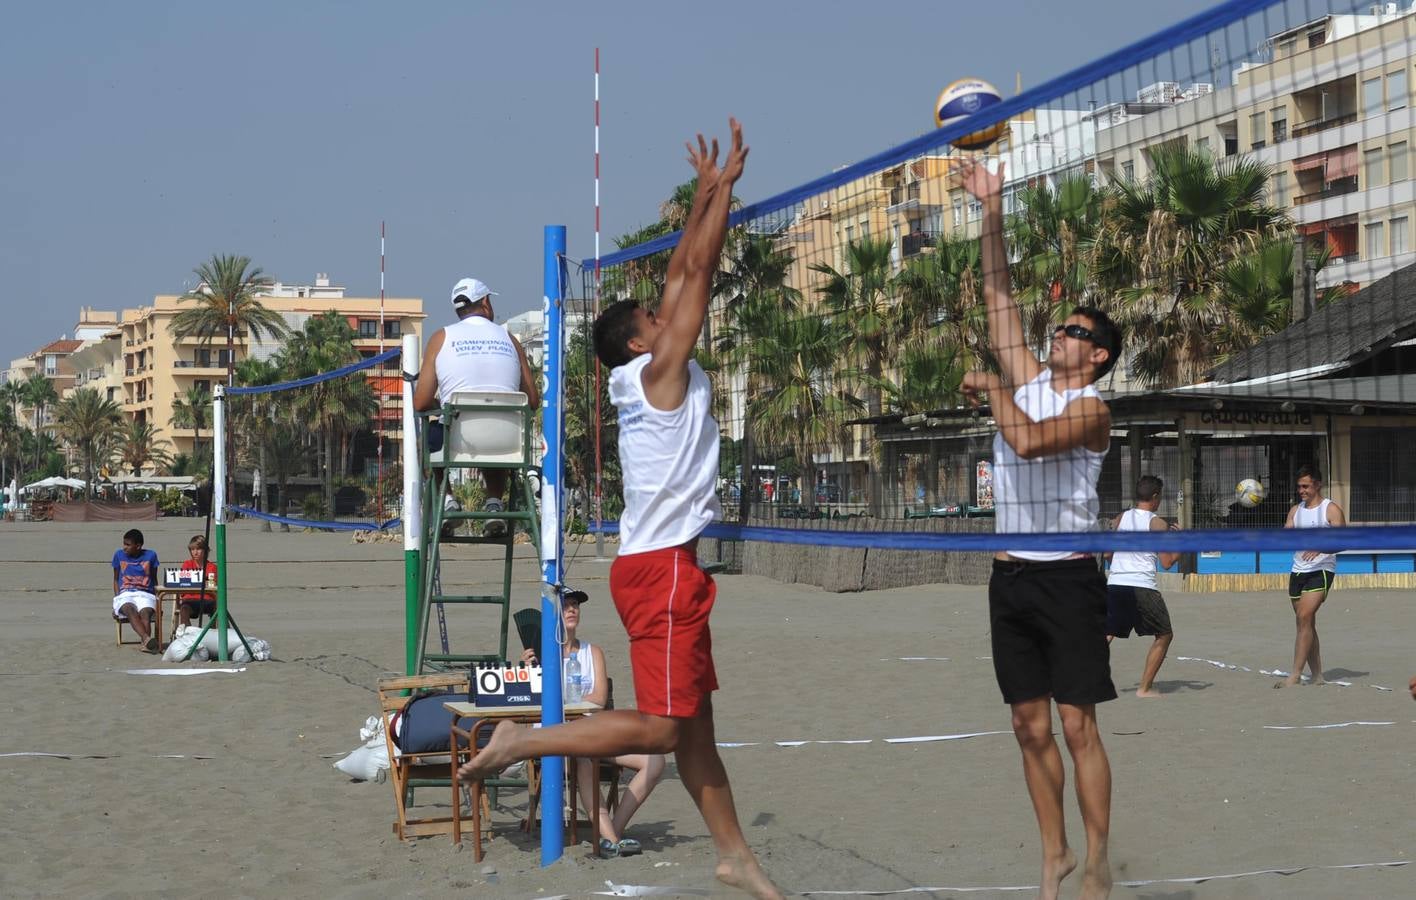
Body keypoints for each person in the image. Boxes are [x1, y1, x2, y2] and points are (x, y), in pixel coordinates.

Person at [460, 120, 779, 899]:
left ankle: (734, 853)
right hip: (664, 571)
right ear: (642, 344)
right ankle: (525, 739)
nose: (668, 317)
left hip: (658, 566)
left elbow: (678, 271)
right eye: (654, 320)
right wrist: (726, 192)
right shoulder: (662, 373)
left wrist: (707, 192)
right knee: (667, 730)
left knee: (695, 729)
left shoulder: (634, 375)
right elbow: (697, 275)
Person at [960, 156, 1123, 900]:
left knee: (1077, 724)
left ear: (1099, 357)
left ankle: (1096, 858)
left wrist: (993, 388)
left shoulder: (1093, 411)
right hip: (1010, 575)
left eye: (1076, 331)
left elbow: (1026, 441)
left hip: (1067, 576)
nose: (1059, 332)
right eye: (1058, 325)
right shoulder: (1028, 378)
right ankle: (1052, 852)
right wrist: (989, 208)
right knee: (1028, 727)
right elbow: (998, 293)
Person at [520, 589, 666, 858]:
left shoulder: (592, 652)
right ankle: (609, 838)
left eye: (575, 605)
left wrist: (562, 701)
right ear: (553, 616)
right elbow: (527, 702)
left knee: (655, 761)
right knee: (583, 759)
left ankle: (613, 833)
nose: (572, 609)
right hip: (555, 738)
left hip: (594, 734)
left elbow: (599, 699)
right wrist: (526, 671)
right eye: (566, 606)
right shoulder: (540, 657)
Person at [412, 276, 540, 536]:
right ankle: (494, 503)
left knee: (425, 440)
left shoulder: (440, 338)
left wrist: (440, 403)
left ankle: (448, 501)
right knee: (493, 428)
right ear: (485, 302)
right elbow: (533, 400)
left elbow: (420, 402)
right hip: (508, 444)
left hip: (458, 442)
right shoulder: (511, 340)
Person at [1106, 476, 1181, 698]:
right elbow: (1167, 563)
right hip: (1142, 586)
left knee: (1106, 633)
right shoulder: (1157, 523)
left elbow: (1108, 553)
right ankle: (1144, 688)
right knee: (1165, 634)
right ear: (1155, 497)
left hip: (1116, 583)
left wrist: (1121, 569)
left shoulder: (1120, 518)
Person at [1277, 464, 1346, 689]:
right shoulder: (1296, 511)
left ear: (1317, 484)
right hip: (1298, 570)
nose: (1302, 490)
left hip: (1322, 569)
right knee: (1306, 622)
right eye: (1299, 487)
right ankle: (1317, 675)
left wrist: (1321, 548)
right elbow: (1286, 534)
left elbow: (1343, 541)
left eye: (1305, 486)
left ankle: (1295, 675)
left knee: (1304, 617)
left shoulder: (1331, 509)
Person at [112, 528, 160, 652]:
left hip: (146, 593)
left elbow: (154, 578)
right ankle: (146, 639)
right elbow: (116, 579)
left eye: (128, 545)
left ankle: (146, 643)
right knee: (129, 609)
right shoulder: (119, 555)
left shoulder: (151, 555)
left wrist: (157, 599)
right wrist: (117, 598)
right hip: (125, 593)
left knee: (145, 613)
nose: (124, 547)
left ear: (138, 546)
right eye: (124, 544)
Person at [177, 534, 218, 628]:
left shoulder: (211, 567)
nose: (195, 552)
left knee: (219, 610)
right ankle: (189, 634)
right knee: (184, 609)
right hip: (190, 599)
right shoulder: (187, 564)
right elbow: (182, 584)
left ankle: (216, 634)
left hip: (207, 600)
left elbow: (211, 586)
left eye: (198, 549)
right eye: (192, 549)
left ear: (205, 550)